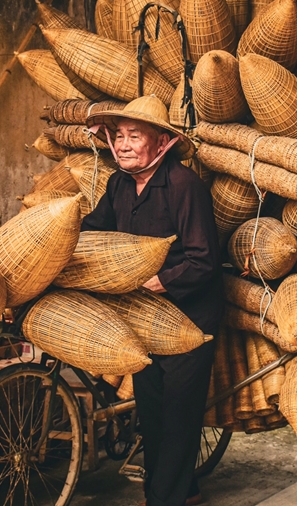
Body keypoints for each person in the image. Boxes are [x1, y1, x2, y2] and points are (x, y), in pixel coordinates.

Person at [81, 94, 224, 506]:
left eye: (135, 136)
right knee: (153, 410)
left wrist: (159, 281)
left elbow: (203, 261)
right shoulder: (118, 184)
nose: (124, 144)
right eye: (119, 136)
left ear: (162, 142)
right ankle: (185, 489)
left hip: (190, 317)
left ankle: (164, 499)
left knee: (179, 415)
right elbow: (96, 231)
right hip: (144, 317)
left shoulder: (183, 185)